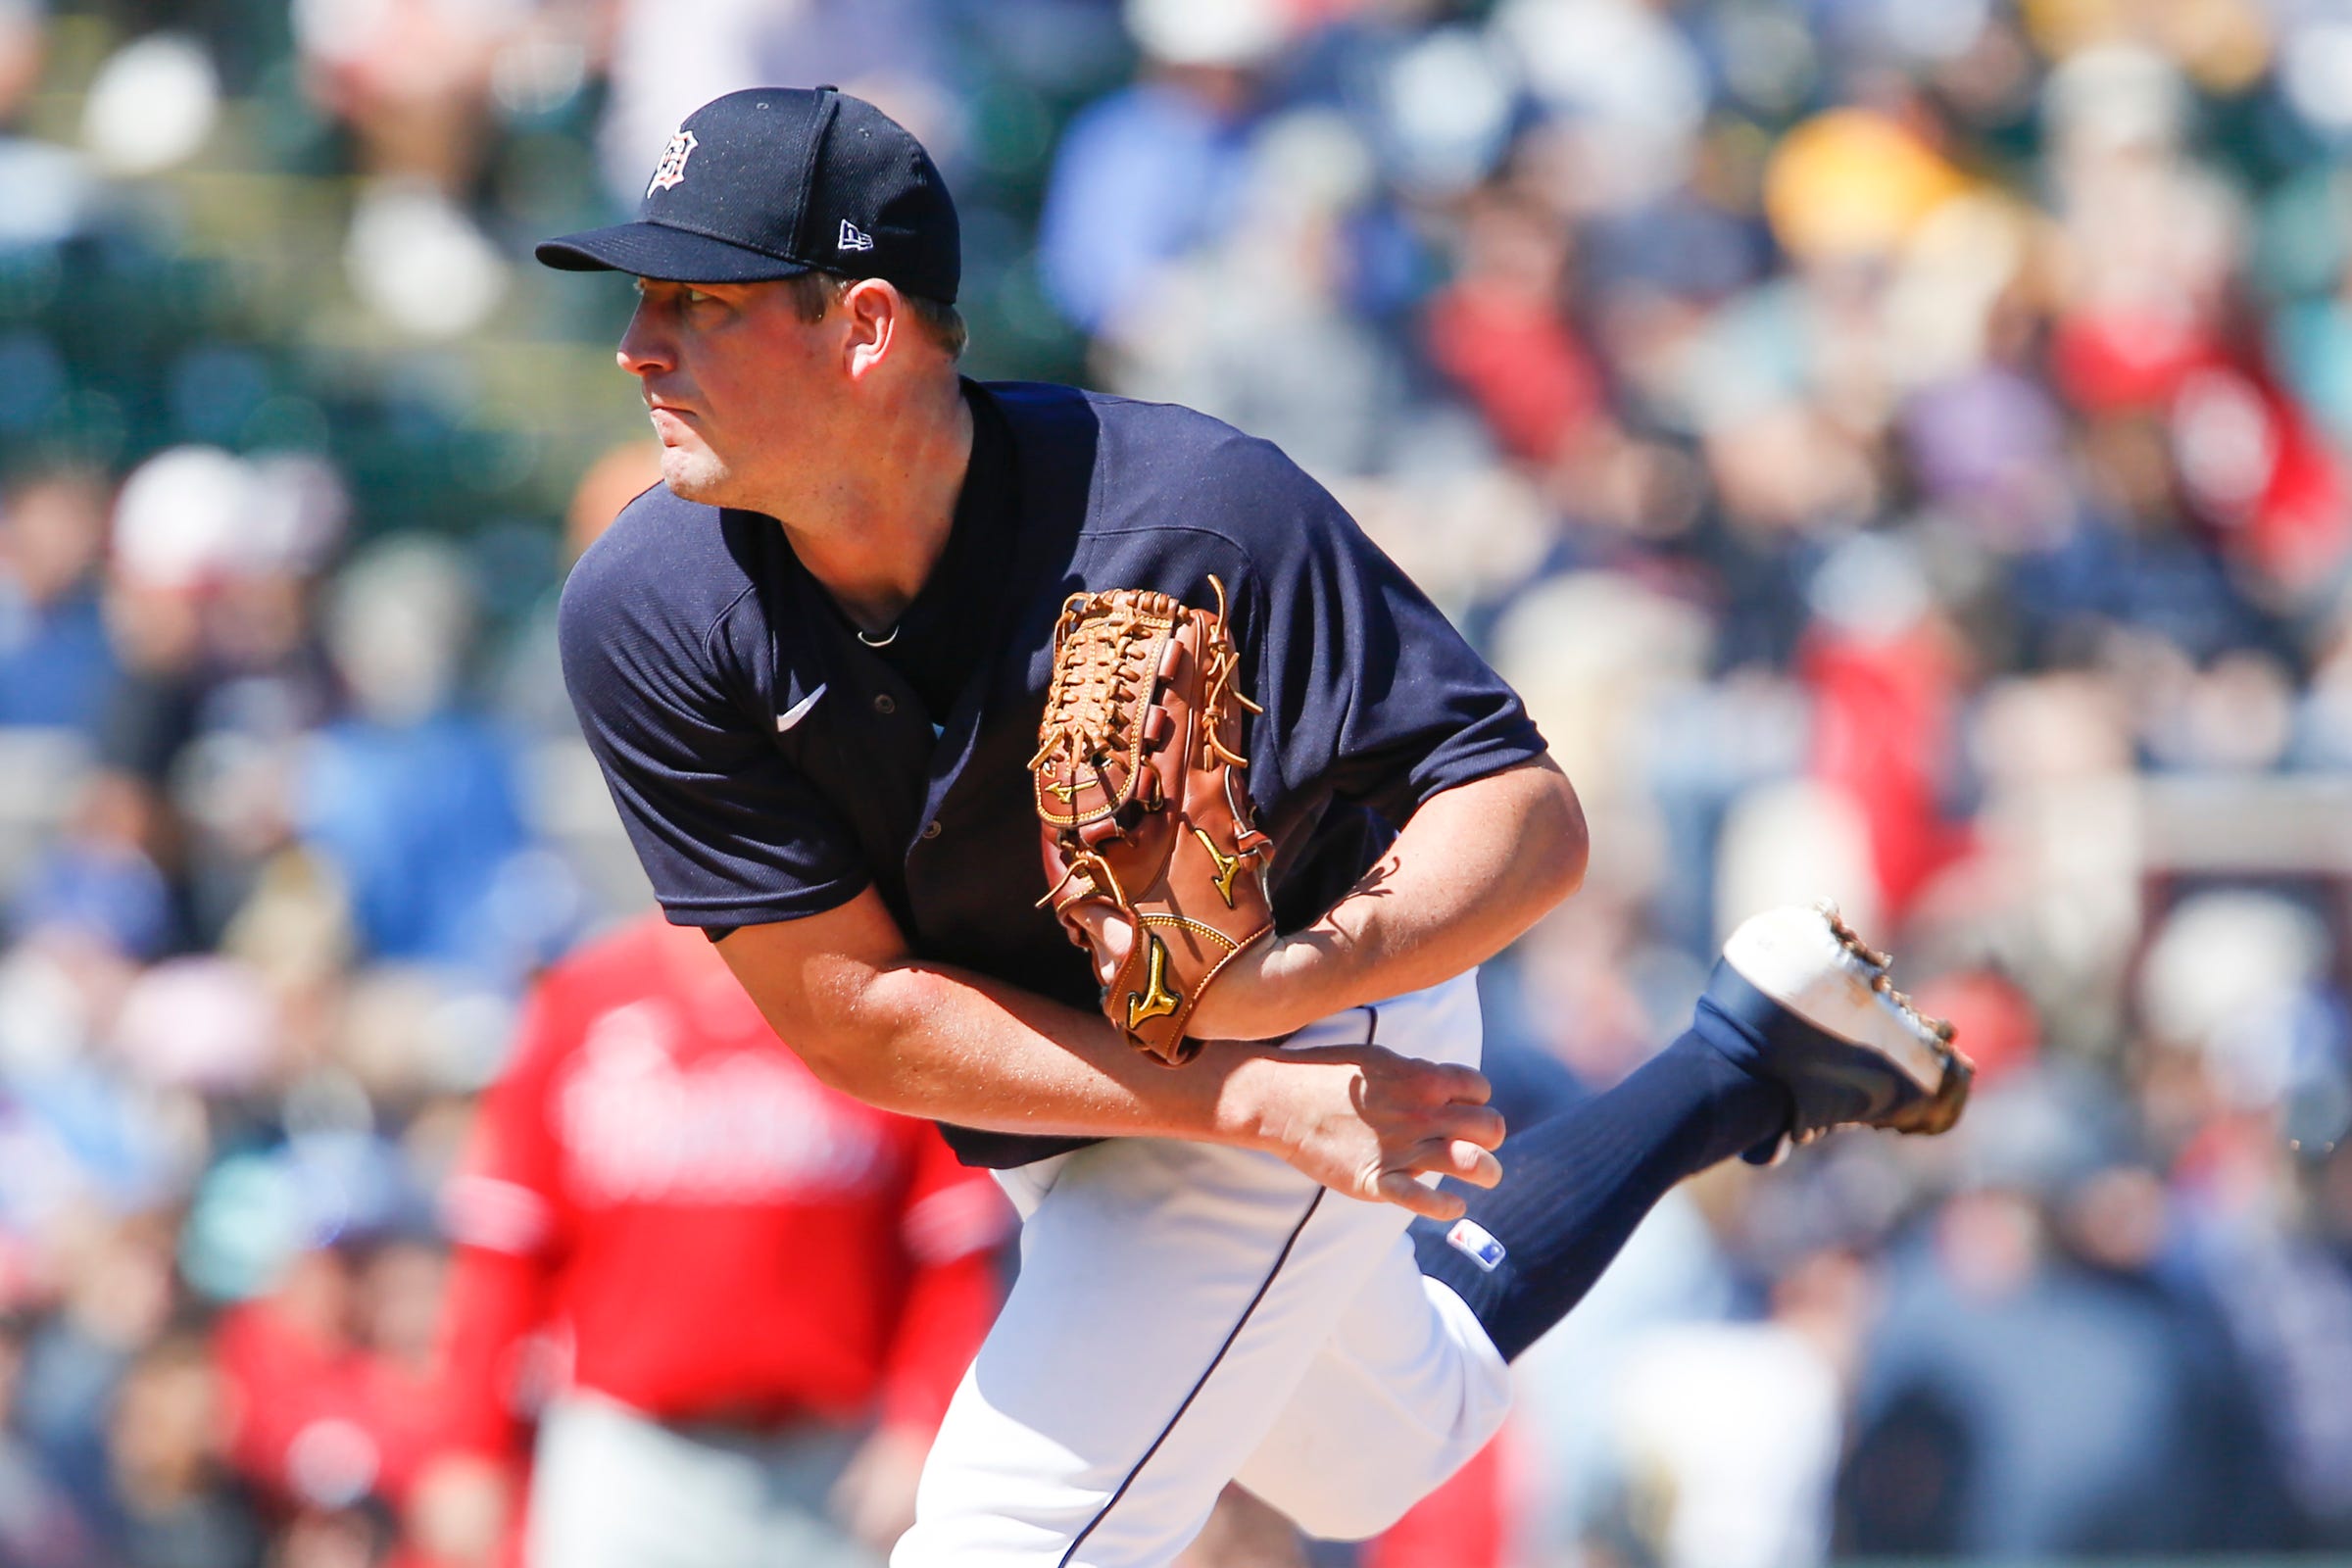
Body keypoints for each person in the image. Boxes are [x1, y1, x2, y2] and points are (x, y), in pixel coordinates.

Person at [536, 86, 1972, 1567]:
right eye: (644, 299)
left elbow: (1527, 817)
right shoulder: (652, 613)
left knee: (1003, 1538)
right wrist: (1228, 1097)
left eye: (700, 302)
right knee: (1373, 1456)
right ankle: (1744, 1058)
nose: (639, 344)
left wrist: (1285, 995)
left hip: (1322, 998)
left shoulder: (1191, 511)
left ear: (866, 326)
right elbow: (856, 1015)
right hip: (1087, 1081)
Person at [421, 910, 1009, 1568]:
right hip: (627, 1454)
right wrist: (470, 1442)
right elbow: (506, 1254)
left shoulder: (876, 992)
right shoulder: (583, 998)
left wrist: (922, 1421)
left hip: (831, 1462)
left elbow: (951, 1257)